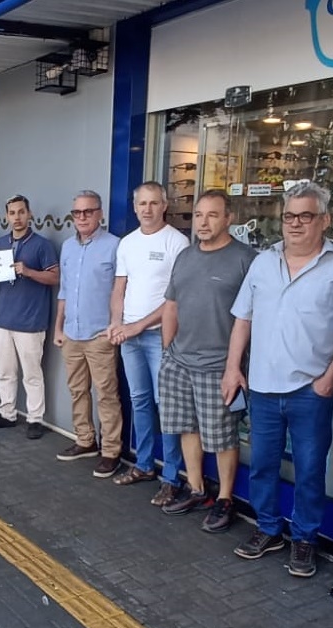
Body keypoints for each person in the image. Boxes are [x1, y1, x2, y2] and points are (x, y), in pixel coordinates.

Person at [226, 181, 333, 576]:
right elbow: (242, 319)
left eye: (306, 216)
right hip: (263, 386)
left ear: (325, 220)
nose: (296, 224)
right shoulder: (263, 263)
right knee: (264, 464)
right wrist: (234, 367)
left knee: (309, 469)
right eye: (289, 216)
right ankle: (268, 529)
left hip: (310, 390)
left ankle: (304, 540)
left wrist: (330, 378)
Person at [158, 191, 257, 534]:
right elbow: (171, 305)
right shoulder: (185, 256)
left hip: (219, 365)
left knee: (222, 436)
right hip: (180, 360)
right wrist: (167, 351)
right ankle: (197, 488)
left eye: (212, 215)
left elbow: (252, 318)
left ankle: (226, 499)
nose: (203, 222)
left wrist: (237, 365)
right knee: (187, 427)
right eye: (198, 215)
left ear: (228, 218)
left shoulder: (246, 259)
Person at [108, 182, 189, 506]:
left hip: (159, 337)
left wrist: (137, 325)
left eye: (154, 203)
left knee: (165, 407)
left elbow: (177, 299)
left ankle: (172, 478)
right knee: (140, 402)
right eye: (142, 203)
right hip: (129, 337)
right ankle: (143, 465)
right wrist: (117, 323)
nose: (147, 209)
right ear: (134, 205)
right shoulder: (127, 244)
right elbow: (119, 288)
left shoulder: (177, 242)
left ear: (164, 205)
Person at [54, 191, 124, 477]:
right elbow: (64, 291)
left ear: (100, 214)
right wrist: (58, 327)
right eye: (77, 213)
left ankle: (111, 451)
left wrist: (115, 326)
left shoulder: (115, 246)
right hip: (71, 332)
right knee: (77, 391)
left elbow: (121, 292)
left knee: (106, 395)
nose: (82, 217)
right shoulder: (68, 247)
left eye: (88, 211)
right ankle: (85, 441)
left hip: (100, 335)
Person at [0, 195, 59, 440]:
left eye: (21, 212)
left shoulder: (42, 245)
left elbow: (55, 278)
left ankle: (35, 419)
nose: (17, 217)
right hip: (3, 319)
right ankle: (7, 413)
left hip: (30, 322)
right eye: (12, 213)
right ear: (6, 216)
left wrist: (29, 271)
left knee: (32, 374)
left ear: (29, 214)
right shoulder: (0, 243)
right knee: (4, 371)